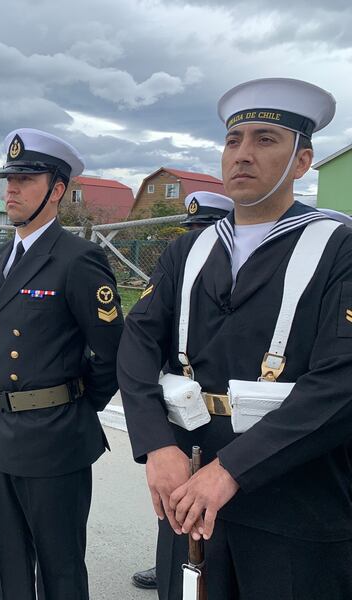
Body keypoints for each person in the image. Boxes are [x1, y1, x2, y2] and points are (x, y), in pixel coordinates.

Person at [119, 78, 352, 599]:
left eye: (265, 139)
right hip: (189, 496)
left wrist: (232, 470)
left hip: (294, 508)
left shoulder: (338, 249)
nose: (242, 155)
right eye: (233, 140)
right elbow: (136, 348)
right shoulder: (190, 252)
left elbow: (340, 383)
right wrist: (156, 445)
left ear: (302, 160)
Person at [0, 129, 124, 600]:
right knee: (7, 563)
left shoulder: (78, 259)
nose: (11, 189)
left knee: (59, 568)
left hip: (55, 438)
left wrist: (72, 404)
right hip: (0, 432)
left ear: (57, 190)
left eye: (26, 179)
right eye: (9, 179)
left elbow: (110, 351)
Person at [131, 189, 233, 592]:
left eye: (205, 227)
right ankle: (172, 564)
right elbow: (143, 336)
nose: (196, 237)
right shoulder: (183, 263)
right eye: (191, 229)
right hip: (185, 418)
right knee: (176, 526)